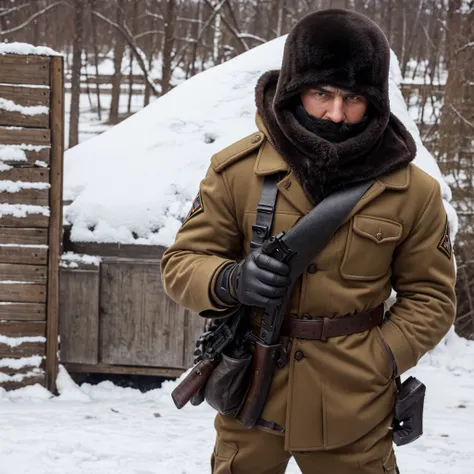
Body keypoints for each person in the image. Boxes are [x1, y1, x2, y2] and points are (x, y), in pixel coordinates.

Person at [161, 8, 456, 474]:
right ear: (295, 88)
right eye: (322, 94)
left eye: (353, 98)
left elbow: (433, 298)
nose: (336, 114)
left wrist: (380, 358)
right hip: (251, 396)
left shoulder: (413, 192)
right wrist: (231, 279)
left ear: (374, 101)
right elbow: (180, 263)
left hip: (353, 405)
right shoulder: (236, 171)